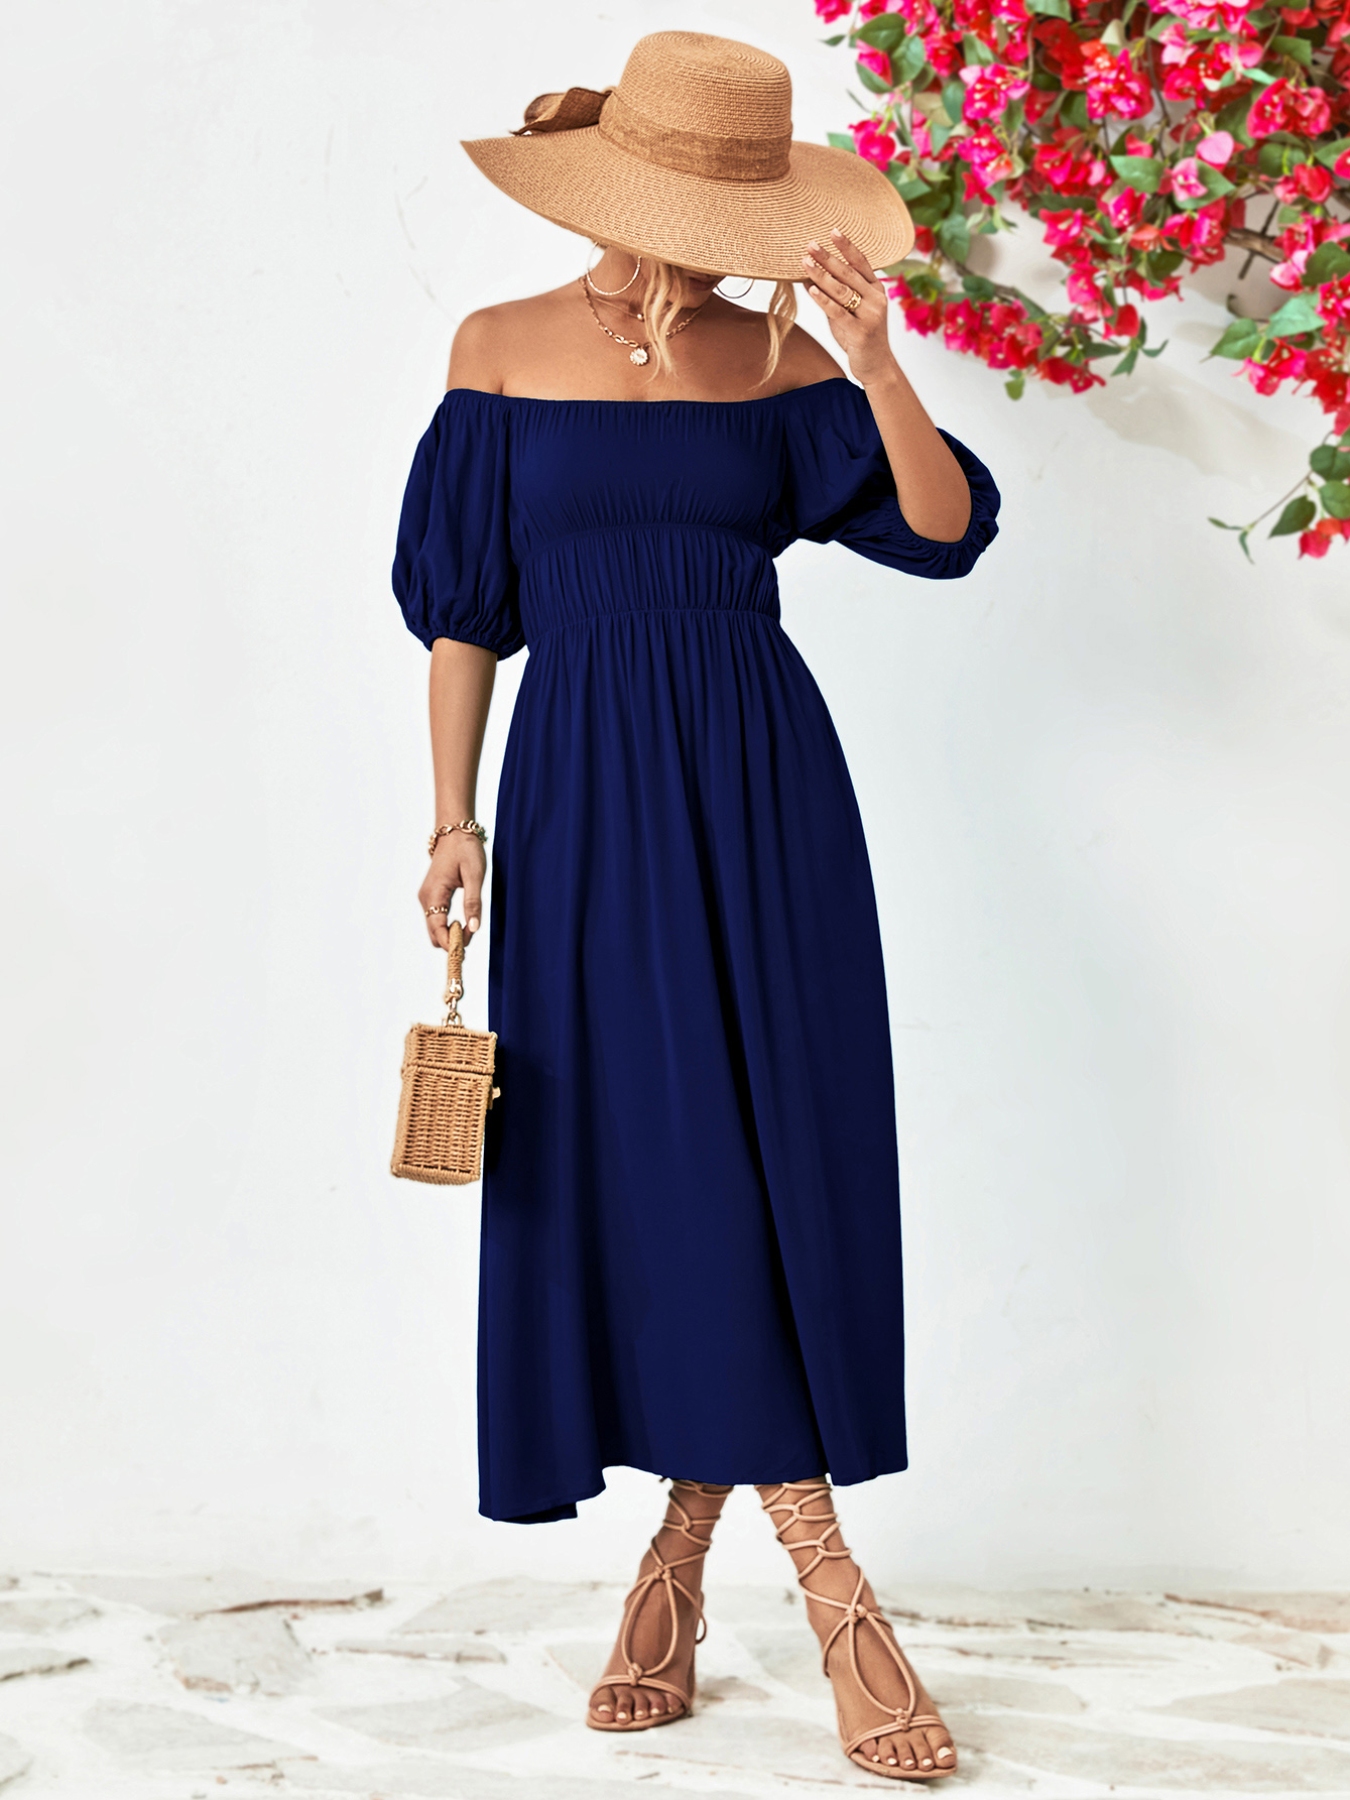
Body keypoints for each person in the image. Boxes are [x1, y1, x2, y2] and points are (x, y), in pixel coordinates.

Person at [391, 31, 999, 1783]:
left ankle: (694, 1562)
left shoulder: (785, 360)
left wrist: (877, 365)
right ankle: (817, 1581)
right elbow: (464, 611)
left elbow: (943, 530)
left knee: (768, 1144)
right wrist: (451, 817)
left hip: (763, 787)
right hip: (582, 793)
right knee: (641, 1149)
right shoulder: (496, 349)